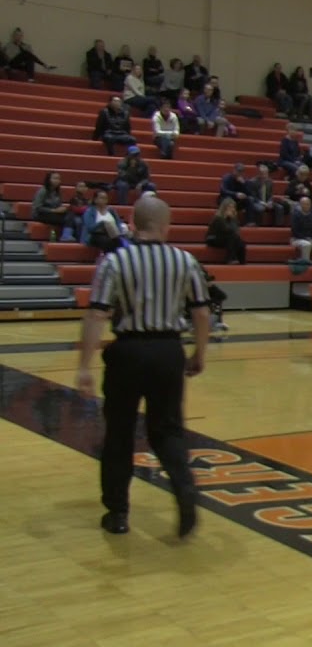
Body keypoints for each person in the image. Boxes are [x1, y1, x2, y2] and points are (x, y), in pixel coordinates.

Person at [75, 195, 209, 538]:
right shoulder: (185, 260)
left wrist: (85, 366)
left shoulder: (115, 261)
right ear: (166, 225)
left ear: (133, 223)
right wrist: (199, 353)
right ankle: (184, 489)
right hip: (168, 350)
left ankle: (117, 513)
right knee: (168, 429)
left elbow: (97, 314)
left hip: (128, 352)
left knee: (119, 433)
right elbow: (201, 312)